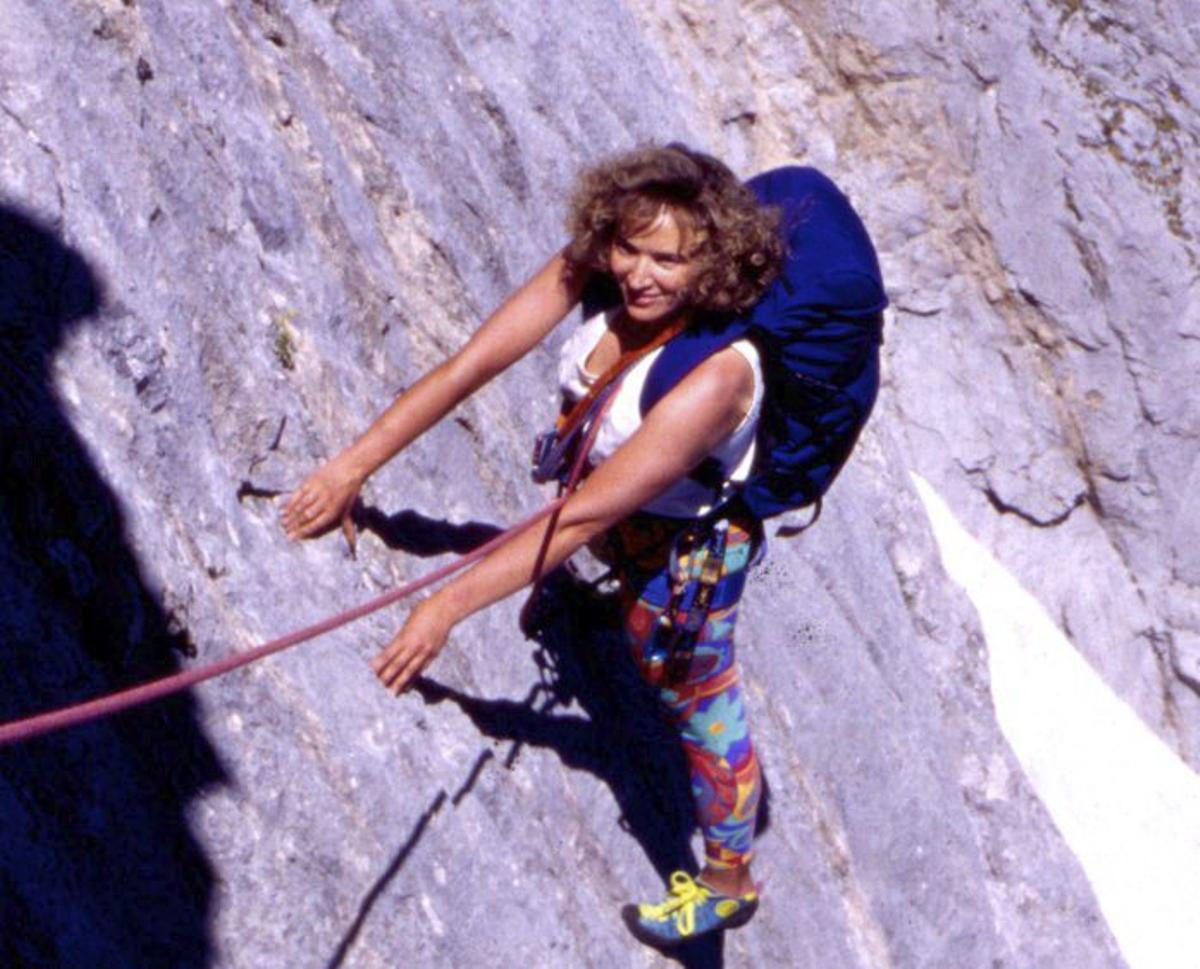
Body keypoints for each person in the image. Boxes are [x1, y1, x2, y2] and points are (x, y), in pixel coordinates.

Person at [281, 143, 784, 947]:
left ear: (712, 265)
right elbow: (472, 364)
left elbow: (582, 518)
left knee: (690, 688)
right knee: (607, 587)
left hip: (686, 550)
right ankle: (595, 598)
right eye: (628, 247)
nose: (640, 274)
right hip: (614, 511)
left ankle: (728, 881)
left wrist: (445, 607)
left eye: (669, 260)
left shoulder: (718, 376)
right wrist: (353, 465)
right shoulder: (603, 267)